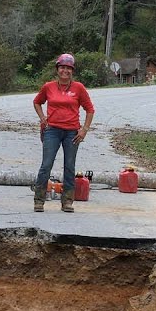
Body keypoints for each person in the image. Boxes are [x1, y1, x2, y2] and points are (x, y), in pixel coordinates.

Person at [32, 53, 95, 213]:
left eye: (68, 68)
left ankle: (67, 201)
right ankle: (39, 199)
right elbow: (37, 102)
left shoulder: (78, 88)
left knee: (69, 166)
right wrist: (42, 118)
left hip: (72, 132)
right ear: (57, 69)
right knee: (46, 165)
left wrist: (84, 130)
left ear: (72, 71)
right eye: (62, 67)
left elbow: (90, 109)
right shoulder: (49, 87)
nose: (64, 71)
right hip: (52, 130)